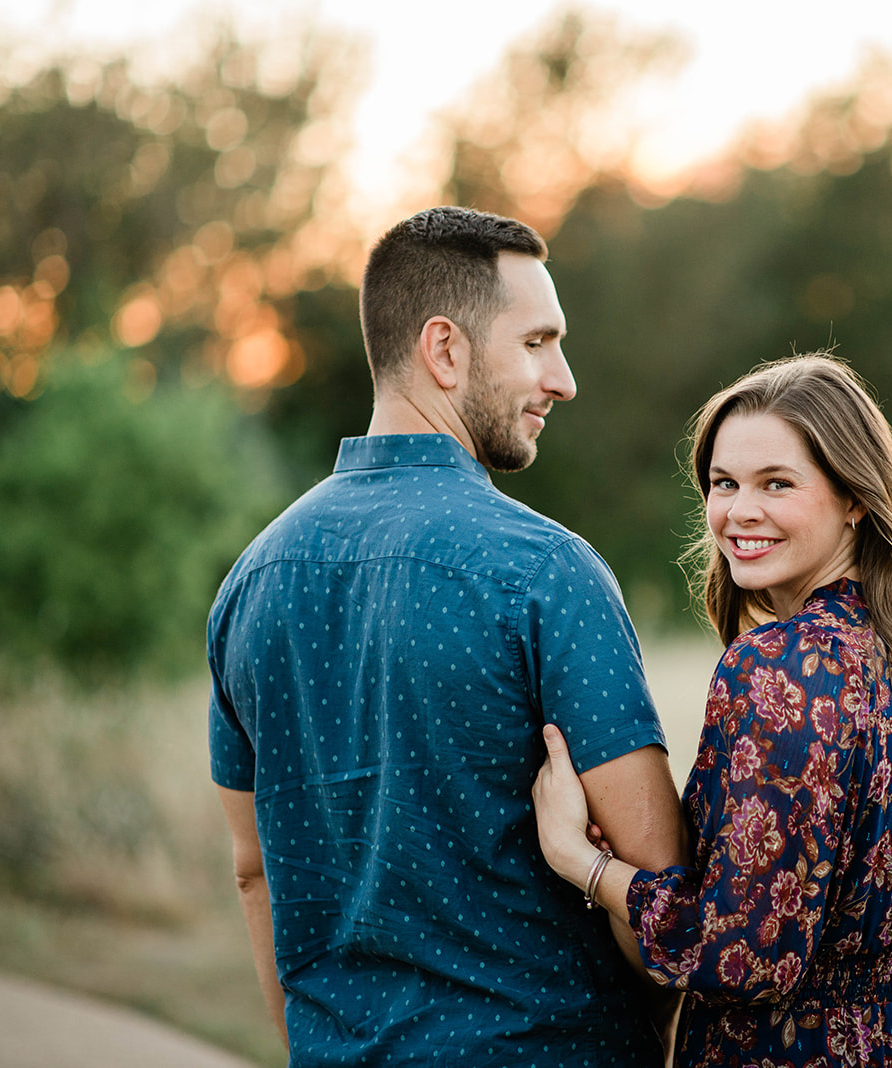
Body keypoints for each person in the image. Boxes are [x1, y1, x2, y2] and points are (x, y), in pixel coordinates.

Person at [208, 206, 687, 1067]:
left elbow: (254, 870)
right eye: (538, 342)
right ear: (445, 349)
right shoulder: (548, 572)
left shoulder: (250, 583)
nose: (564, 379)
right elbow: (658, 890)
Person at [534, 353, 892, 1066]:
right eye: (723, 483)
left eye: (777, 484)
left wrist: (583, 864)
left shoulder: (780, 667)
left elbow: (742, 958)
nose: (739, 511)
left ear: (855, 497)